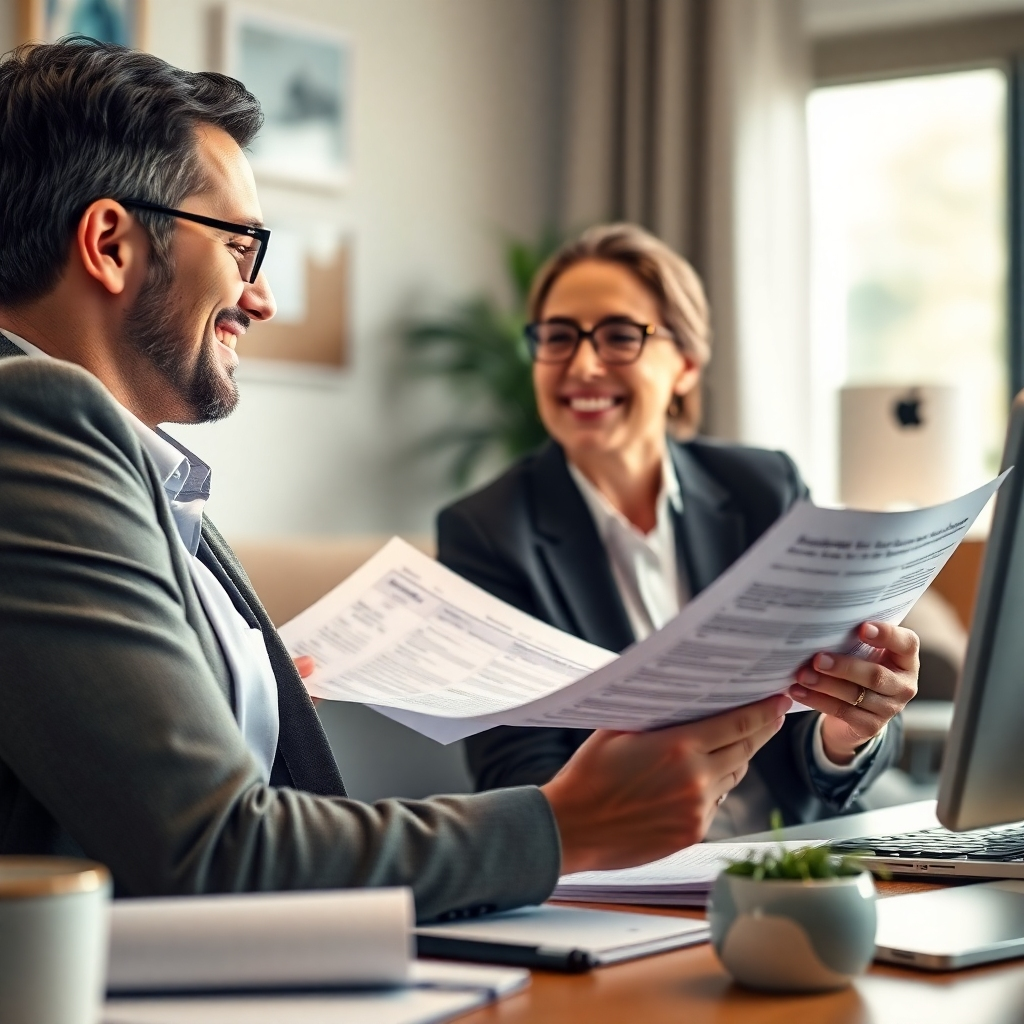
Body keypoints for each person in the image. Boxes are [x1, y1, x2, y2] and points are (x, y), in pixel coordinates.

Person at [0, 41, 794, 921]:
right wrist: (568, 825)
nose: (259, 298)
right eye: (241, 248)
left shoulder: (126, 468)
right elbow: (210, 851)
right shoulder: (31, 419)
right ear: (111, 244)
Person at [438, 224, 919, 837]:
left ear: (686, 364)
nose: (582, 365)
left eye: (618, 336)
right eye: (558, 337)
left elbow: (826, 701)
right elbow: (518, 776)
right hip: (625, 880)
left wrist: (848, 728)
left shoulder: (763, 488)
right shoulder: (486, 531)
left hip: (791, 857)